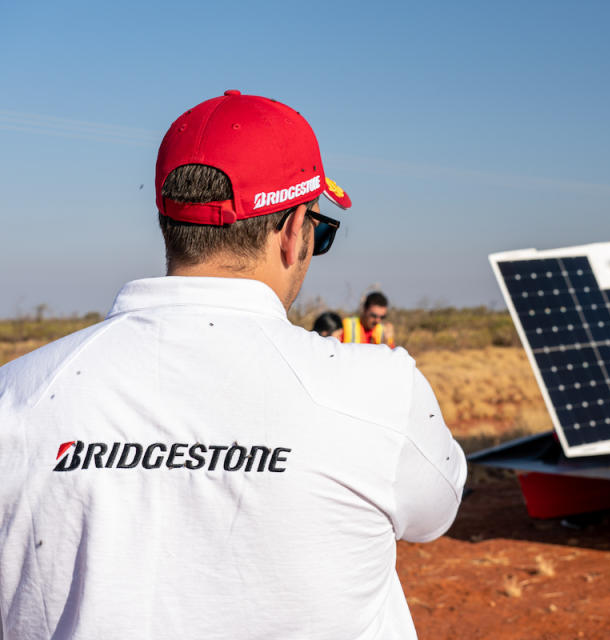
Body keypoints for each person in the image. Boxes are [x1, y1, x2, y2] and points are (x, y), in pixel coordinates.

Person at [0, 90, 466, 639]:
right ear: (295, 232)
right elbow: (434, 516)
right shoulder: (380, 390)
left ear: (168, 221)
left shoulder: (16, 395)